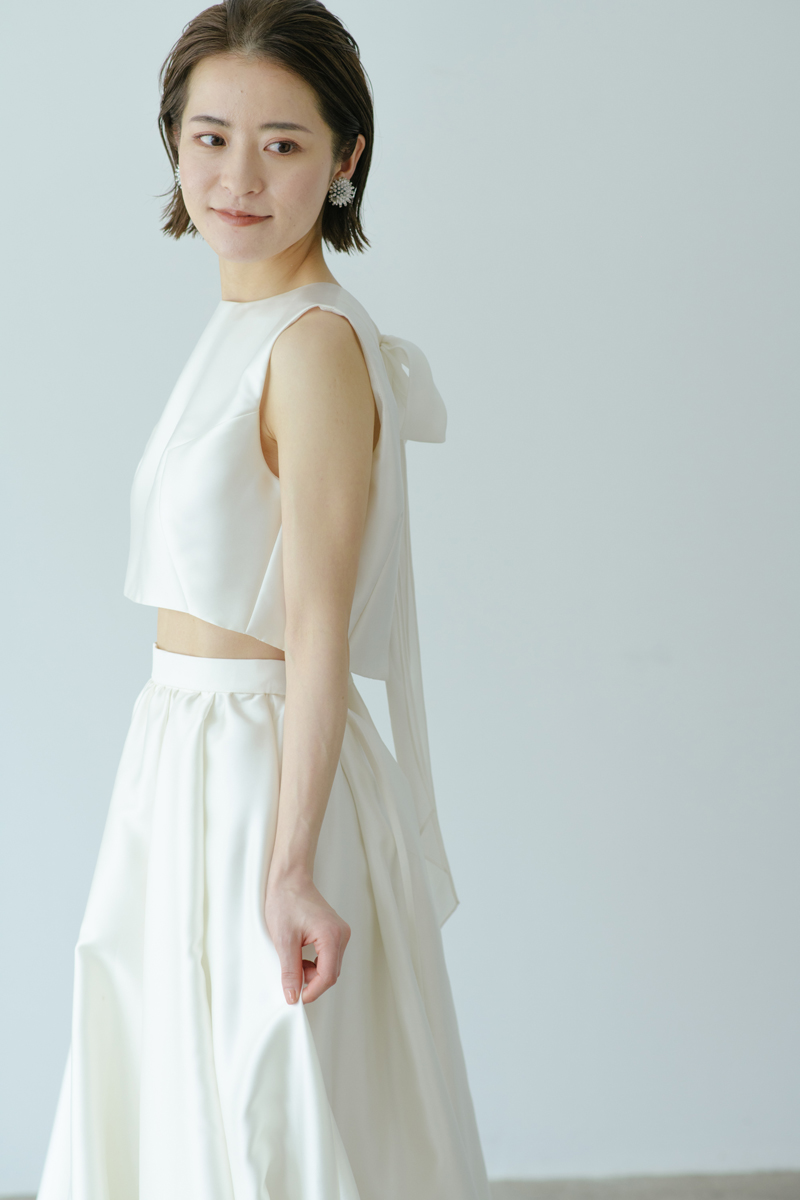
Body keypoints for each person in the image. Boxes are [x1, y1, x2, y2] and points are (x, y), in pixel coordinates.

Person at [38, 2, 491, 1197]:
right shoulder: (242, 325)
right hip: (183, 757)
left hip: (261, 770)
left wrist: (289, 867)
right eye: (210, 137)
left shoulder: (311, 345)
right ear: (174, 144)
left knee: (262, 1115)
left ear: (345, 159)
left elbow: (316, 624)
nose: (238, 177)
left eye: (282, 143)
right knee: (183, 1109)